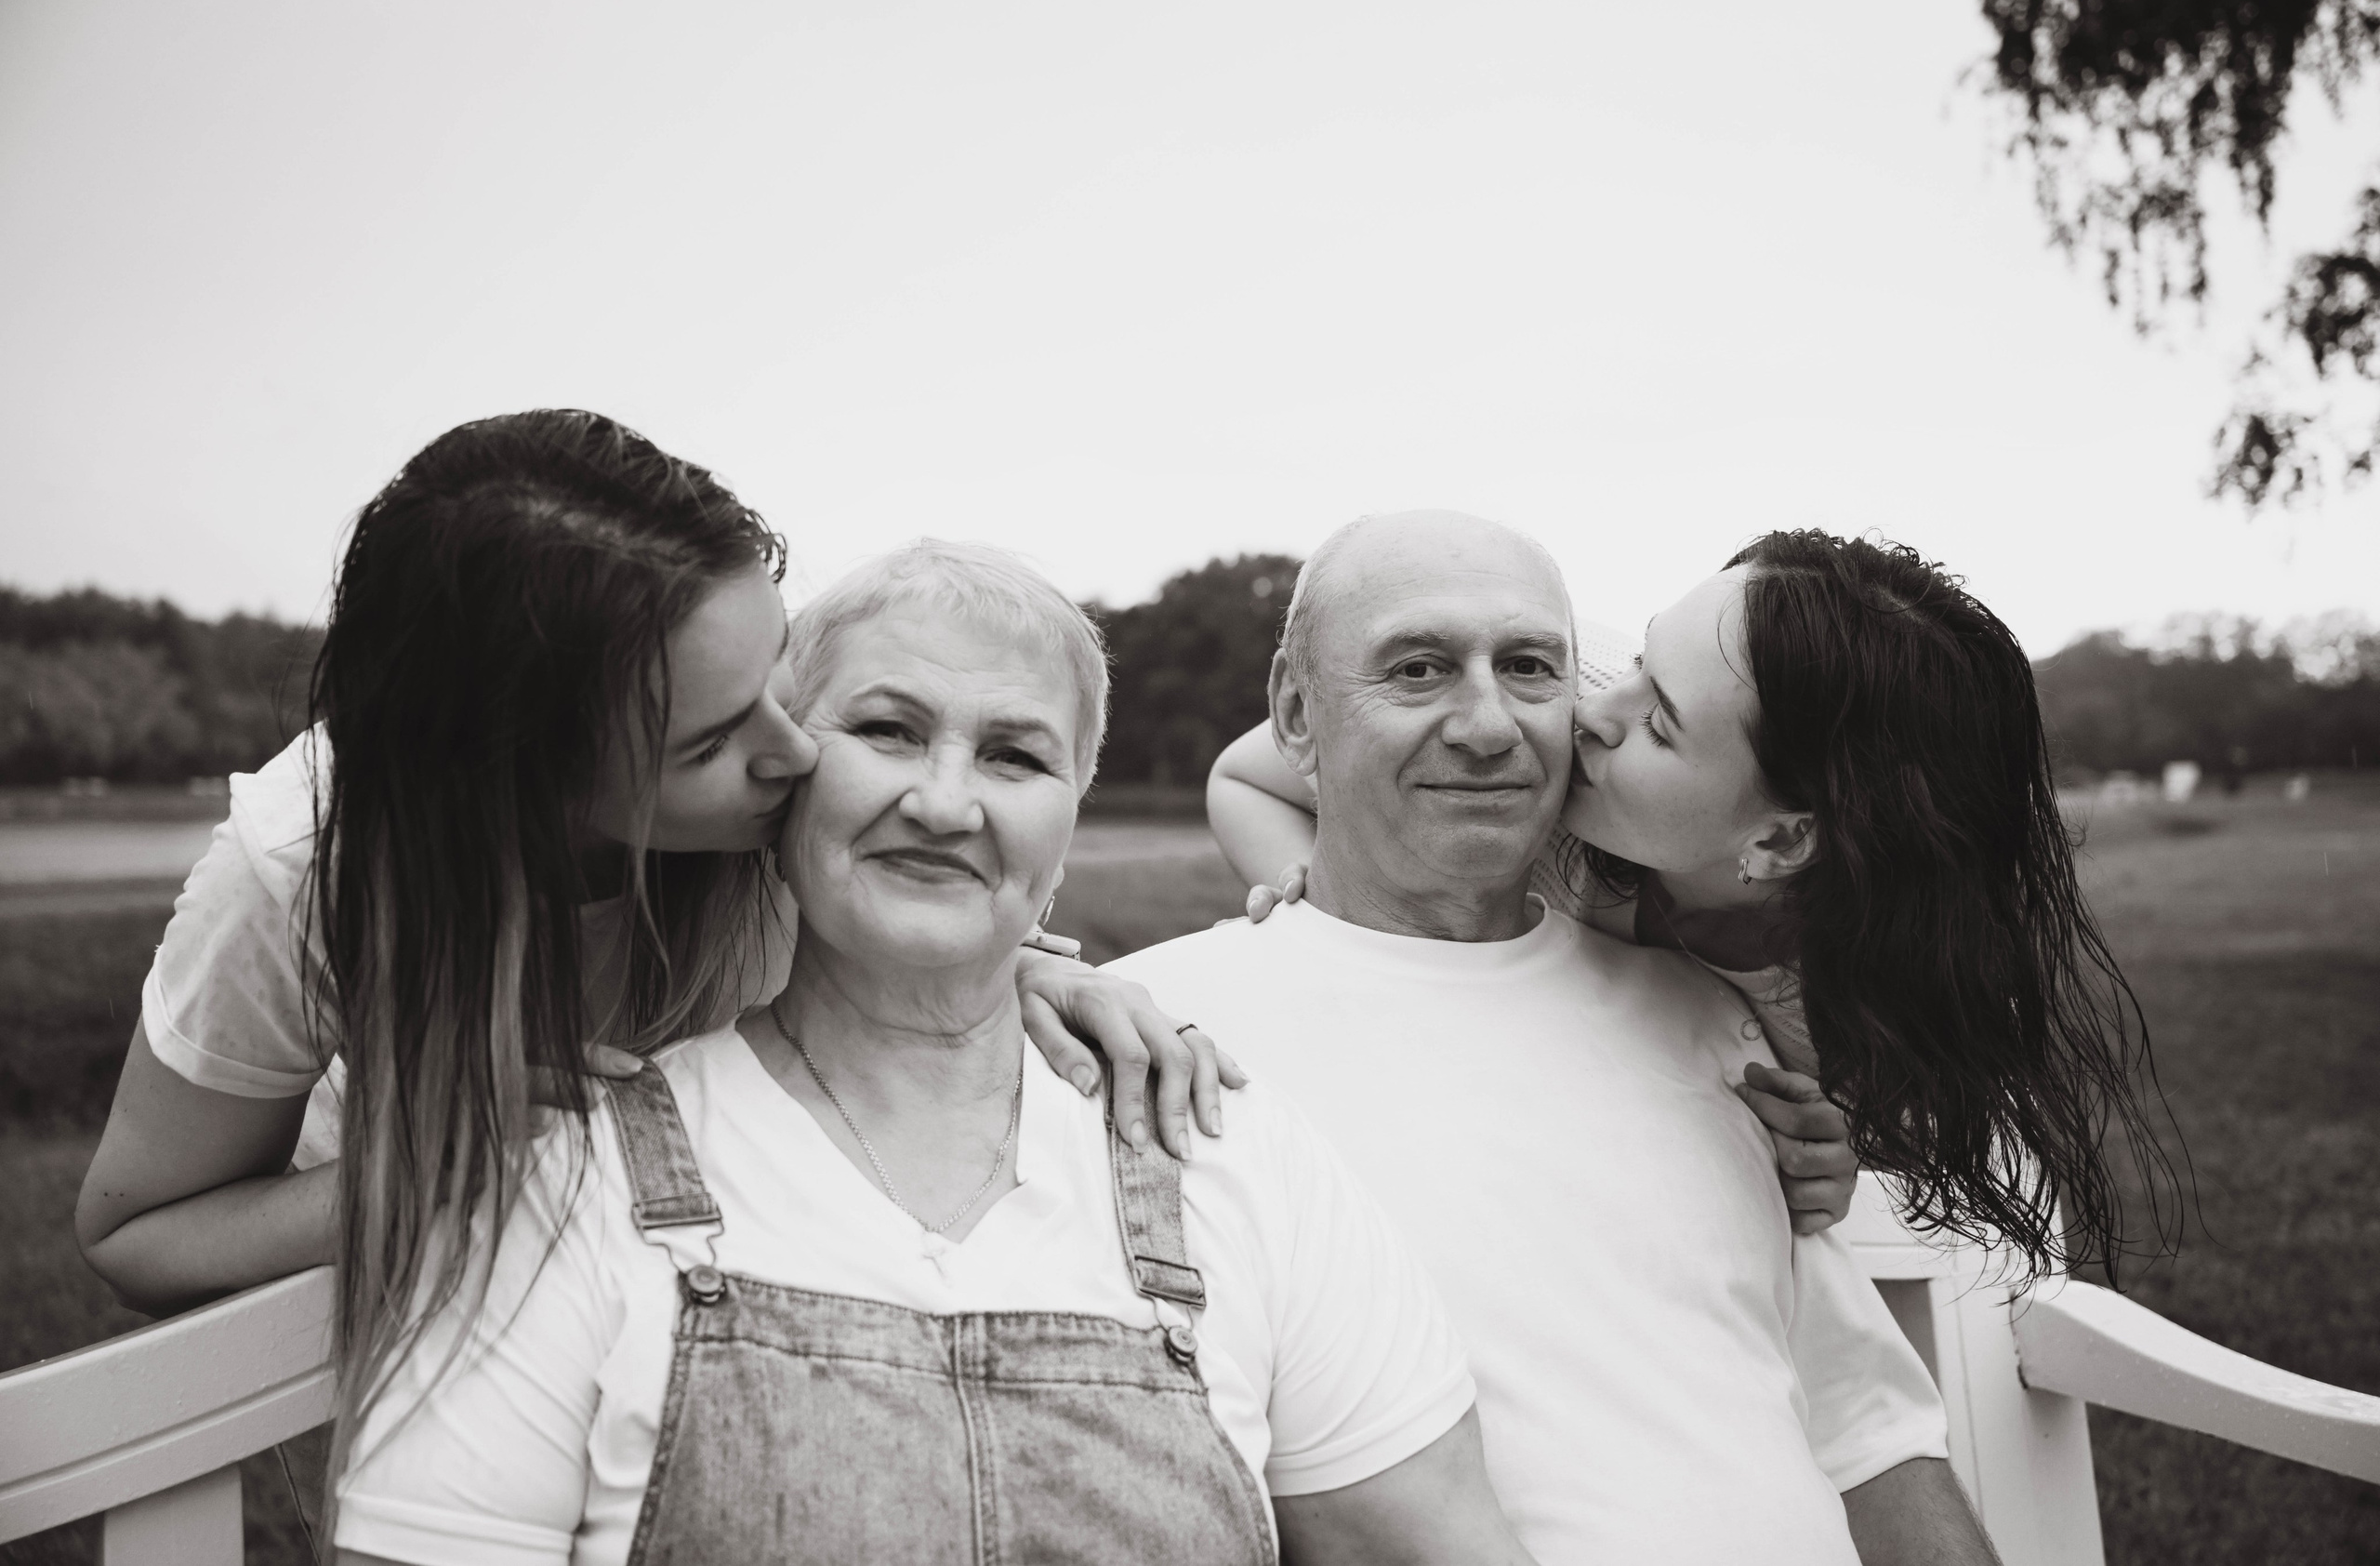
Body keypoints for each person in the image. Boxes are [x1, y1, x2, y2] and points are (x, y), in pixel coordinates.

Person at [333, 542, 1532, 1566]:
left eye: (1014, 756)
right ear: (784, 780)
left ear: (1067, 824)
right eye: (888, 731)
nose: (947, 803)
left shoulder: (1222, 1150)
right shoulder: (572, 1182)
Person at [74, 412, 1232, 1430]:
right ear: (528, 786)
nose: (794, 751)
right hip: (458, 1353)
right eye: (712, 745)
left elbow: (932, 872)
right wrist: (426, 1165)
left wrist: (1013, 972)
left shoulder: (783, 777)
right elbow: (137, 1235)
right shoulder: (303, 872)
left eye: (778, 674)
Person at [1111, 511, 1989, 1564]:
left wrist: (1821, 1146)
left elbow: (1871, 1434)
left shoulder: (1729, 1017)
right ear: (1297, 715)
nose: (1494, 726)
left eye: (1530, 668)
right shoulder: (1154, 1031)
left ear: (1780, 840)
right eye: (1418, 669)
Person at [1208, 524, 2173, 1272]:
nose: (1587, 713)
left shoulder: (1828, 1017)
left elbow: (1770, 1183)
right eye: (1637, 664)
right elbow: (1253, 777)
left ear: (1780, 839)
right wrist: (1317, 905)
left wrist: (1822, 1168)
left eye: (1656, 722)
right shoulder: (1530, 742)